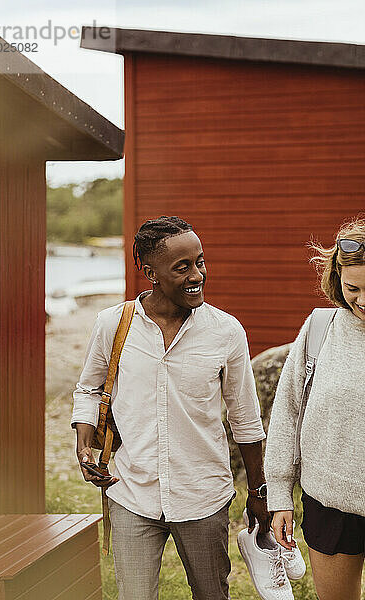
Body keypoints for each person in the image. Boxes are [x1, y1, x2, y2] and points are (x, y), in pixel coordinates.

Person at [71, 216, 271, 600]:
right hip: (131, 491)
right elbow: (89, 388)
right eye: (182, 267)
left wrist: (259, 493)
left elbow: (246, 420)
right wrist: (84, 446)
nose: (197, 274)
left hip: (202, 495)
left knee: (212, 594)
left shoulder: (226, 332)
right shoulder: (113, 324)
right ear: (151, 273)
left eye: (200, 261)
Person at [264, 217, 365, 600]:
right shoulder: (320, 328)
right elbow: (288, 413)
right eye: (352, 288)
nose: (363, 300)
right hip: (329, 503)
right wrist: (278, 496)